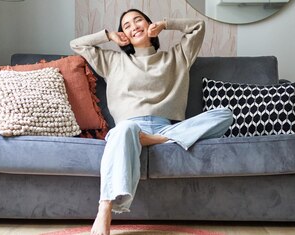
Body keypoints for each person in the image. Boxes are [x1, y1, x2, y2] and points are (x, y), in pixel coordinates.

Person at [70, 9, 233, 235]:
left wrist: (166, 23)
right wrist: (109, 35)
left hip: (166, 128)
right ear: (123, 34)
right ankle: (105, 206)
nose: (133, 26)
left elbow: (198, 27)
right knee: (124, 130)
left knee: (225, 114)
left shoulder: (177, 57)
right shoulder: (113, 61)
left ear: (150, 25)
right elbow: (77, 44)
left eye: (138, 20)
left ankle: (152, 139)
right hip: (130, 129)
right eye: (126, 25)